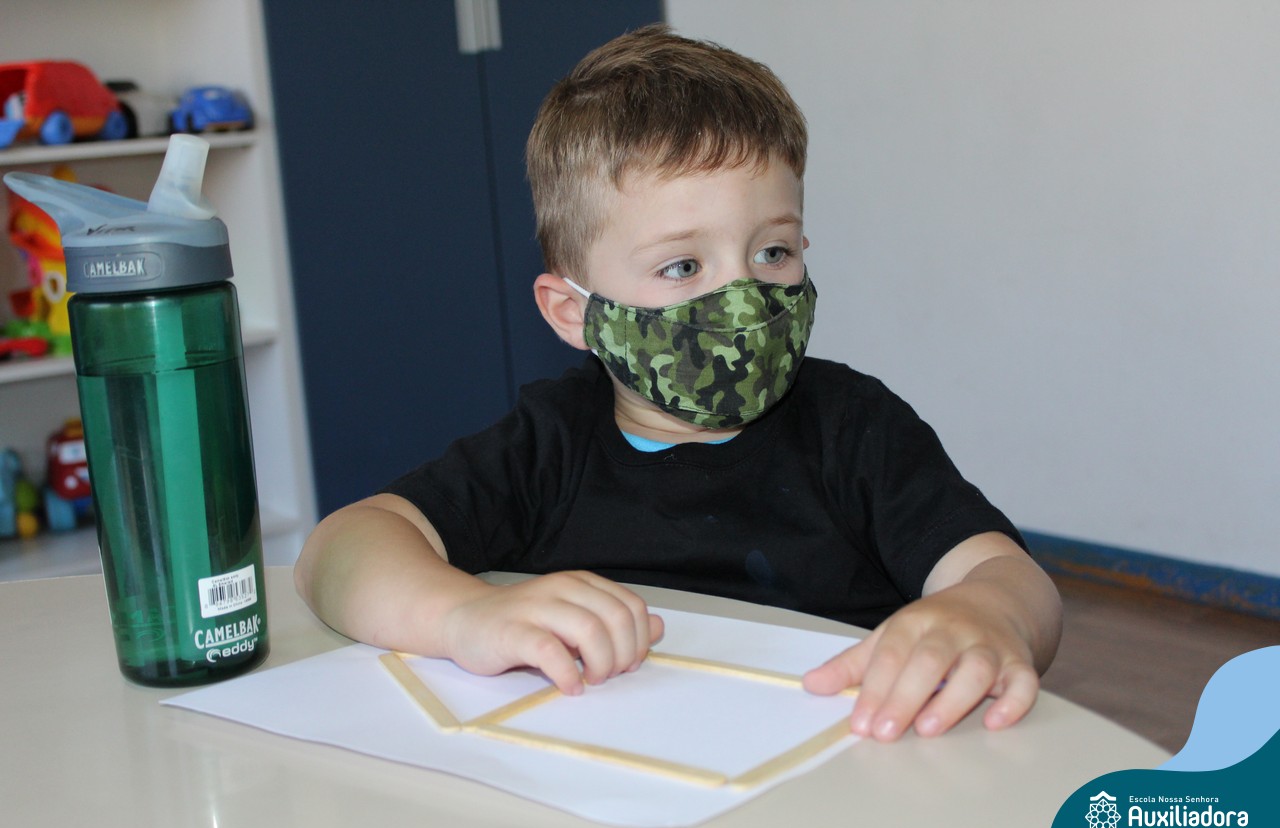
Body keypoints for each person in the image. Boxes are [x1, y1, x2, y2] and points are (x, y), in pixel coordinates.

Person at [295, 24, 1062, 742]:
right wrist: (465, 615)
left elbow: (1011, 578)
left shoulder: (856, 428)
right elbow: (336, 551)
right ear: (571, 311)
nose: (742, 299)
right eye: (684, 265)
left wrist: (989, 613)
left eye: (772, 253)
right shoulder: (549, 444)